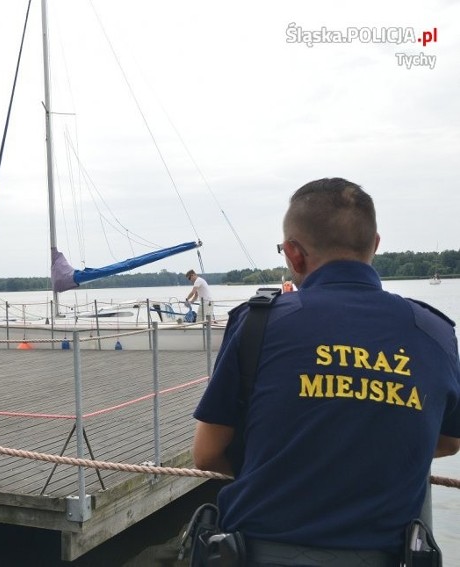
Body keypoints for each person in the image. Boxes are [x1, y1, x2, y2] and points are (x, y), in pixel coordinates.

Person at [192, 177, 460, 565]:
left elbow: (206, 453)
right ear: (376, 246)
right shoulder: (434, 331)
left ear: (293, 254)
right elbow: (449, 441)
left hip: (262, 553)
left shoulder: (258, 324)